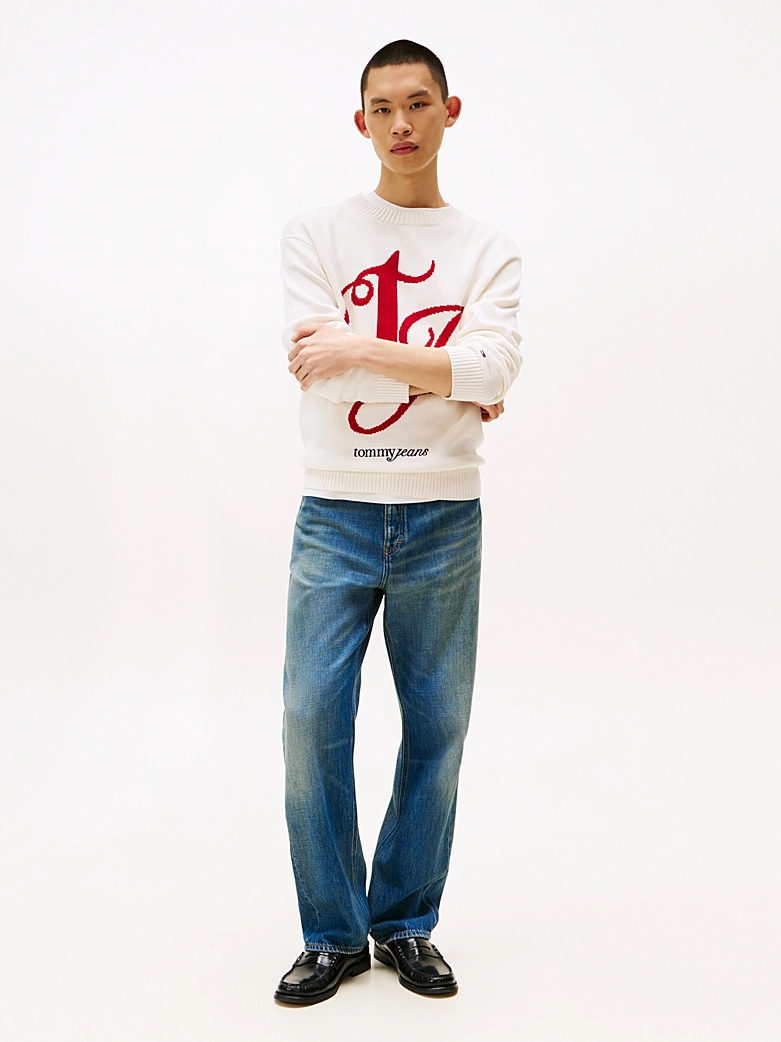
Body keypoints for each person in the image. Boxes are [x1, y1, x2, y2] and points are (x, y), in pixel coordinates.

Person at [274, 39, 523, 1005]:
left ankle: (405, 923)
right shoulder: (316, 234)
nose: (401, 124)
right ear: (361, 122)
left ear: (449, 112)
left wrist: (361, 348)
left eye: (418, 104)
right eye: (382, 108)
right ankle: (333, 934)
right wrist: (446, 373)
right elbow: (315, 369)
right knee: (311, 722)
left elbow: (494, 371)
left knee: (437, 728)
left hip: (443, 516)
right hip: (334, 510)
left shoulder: (487, 249)